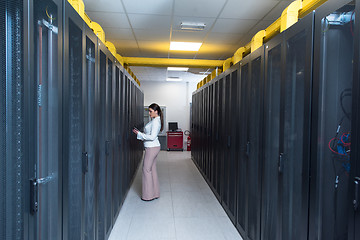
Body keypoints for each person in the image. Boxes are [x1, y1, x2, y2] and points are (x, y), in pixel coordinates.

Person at [133, 103, 164, 201]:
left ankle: (148, 196)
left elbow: (152, 137)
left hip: (152, 148)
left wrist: (140, 134)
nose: (149, 113)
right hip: (153, 147)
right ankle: (155, 193)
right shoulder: (155, 120)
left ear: (156, 111)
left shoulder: (155, 122)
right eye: (149, 111)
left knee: (146, 170)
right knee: (152, 169)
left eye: (151, 111)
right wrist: (141, 134)